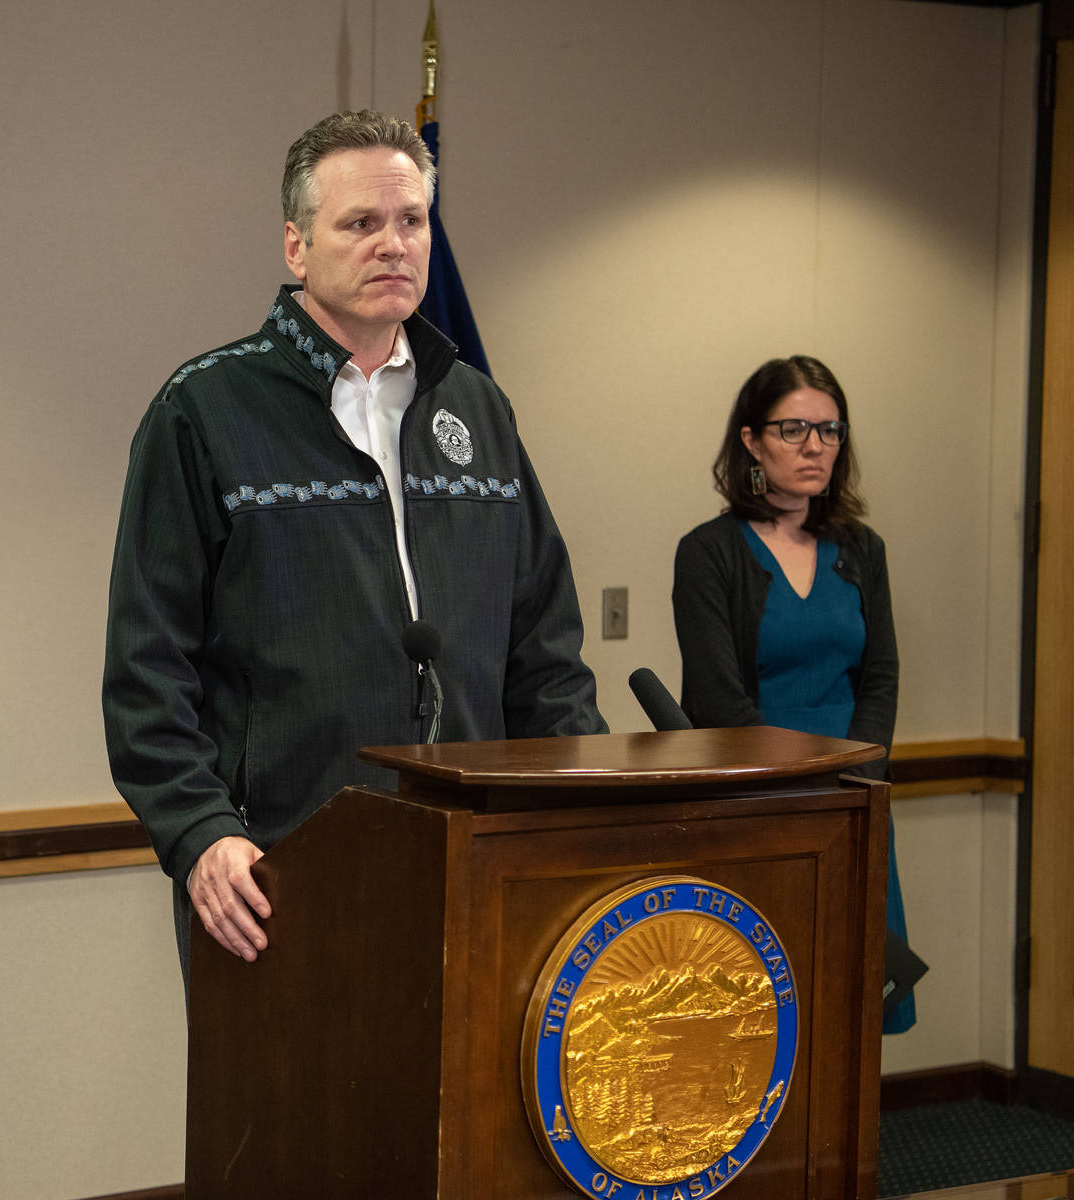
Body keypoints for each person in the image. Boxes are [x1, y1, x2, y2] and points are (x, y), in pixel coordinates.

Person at [102, 111, 604, 976]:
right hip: (277, 877)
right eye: (361, 224)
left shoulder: (478, 408)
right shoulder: (204, 411)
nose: (394, 245)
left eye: (411, 221)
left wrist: (578, 809)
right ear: (296, 247)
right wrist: (201, 833)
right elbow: (148, 666)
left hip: (478, 863)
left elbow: (545, 648)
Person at [672, 354, 914, 1032]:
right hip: (757, 807)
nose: (816, 446)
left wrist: (854, 778)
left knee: (853, 1009)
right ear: (750, 440)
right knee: (758, 1014)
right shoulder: (709, 552)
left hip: (856, 800)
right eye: (794, 429)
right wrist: (796, 790)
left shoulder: (862, 549)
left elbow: (882, 675)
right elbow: (717, 698)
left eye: (831, 430)